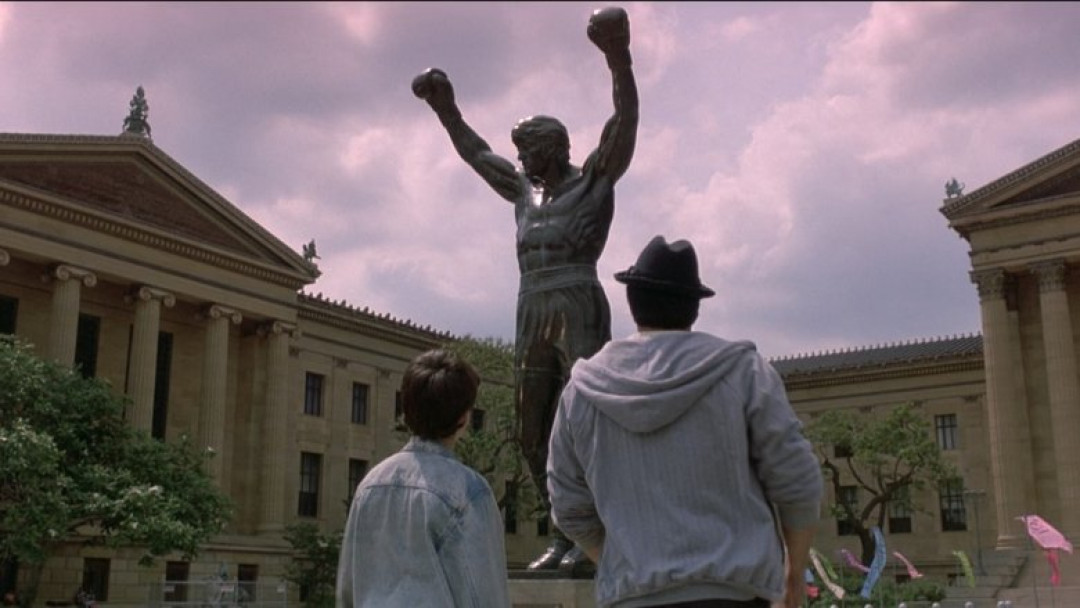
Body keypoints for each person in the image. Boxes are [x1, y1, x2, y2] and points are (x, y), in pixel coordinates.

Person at [412, 6, 638, 571]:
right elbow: (476, 153)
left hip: (577, 298)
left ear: (554, 148)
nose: (519, 157)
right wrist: (446, 109)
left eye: (527, 149)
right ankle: (564, 532)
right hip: (530, 305)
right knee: (529, 428)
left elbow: (624, 121)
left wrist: (617, 56)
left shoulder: (594, 180)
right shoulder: (521, 193)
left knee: (584, 420)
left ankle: (597, 534)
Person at [546, 236, 824, 608]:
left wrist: (624, 564)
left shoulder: (581, 391)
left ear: (632, 302)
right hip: (733, 595)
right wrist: (793, 574)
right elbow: (798, 480)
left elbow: (568, 505)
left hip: (631, 597)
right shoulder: (743, 372)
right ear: (694, 308)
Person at [335, 349, 509, 607]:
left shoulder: (370, 486)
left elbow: (348, 590)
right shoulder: (469, 492)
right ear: (463, 417)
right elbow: (484, 597)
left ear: (406, 410)